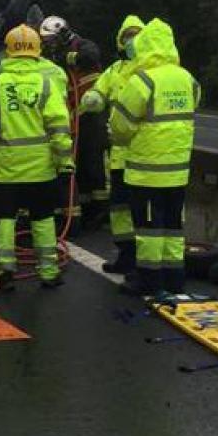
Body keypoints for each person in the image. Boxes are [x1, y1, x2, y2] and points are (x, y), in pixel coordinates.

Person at [0, 24, 75, 290]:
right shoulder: (47, 85)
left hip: (6, 169)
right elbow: (60, 129)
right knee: (43, 218)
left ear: (8, 52)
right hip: (41, 169)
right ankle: (49, 273)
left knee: (5, 219)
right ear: (37, 51)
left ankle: (4, 273)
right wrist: (65, 162)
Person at [108, 18, 200, 296]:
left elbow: (120, 126)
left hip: (146, 172)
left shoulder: (142, 80)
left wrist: (123, 138)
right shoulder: (188, 79)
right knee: (173, 226)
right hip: (178, 172)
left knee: (148, 228)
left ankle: (147, 279)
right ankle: (174, 277)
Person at [80, 15, 145, 273]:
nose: (131, 41)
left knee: (141, 211)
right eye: (127, 36)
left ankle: (144, 261)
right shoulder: (115, 70)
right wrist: (93, 97)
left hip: (143, 153)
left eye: (136, 35)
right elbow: (100, 88)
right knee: (119, 210)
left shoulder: (148, 67)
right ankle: (125, 256)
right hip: (119, 153)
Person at [39, 15, 105, 231]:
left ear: (63, 34)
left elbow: (91, 57)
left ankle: (99, 212)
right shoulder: (53, 56)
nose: (49, 45)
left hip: (92, 115)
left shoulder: (83, 46)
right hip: (74, 117)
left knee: (93, 165)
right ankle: (82, 213)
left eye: (51, 40)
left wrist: (66, 58)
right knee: (79, 167)